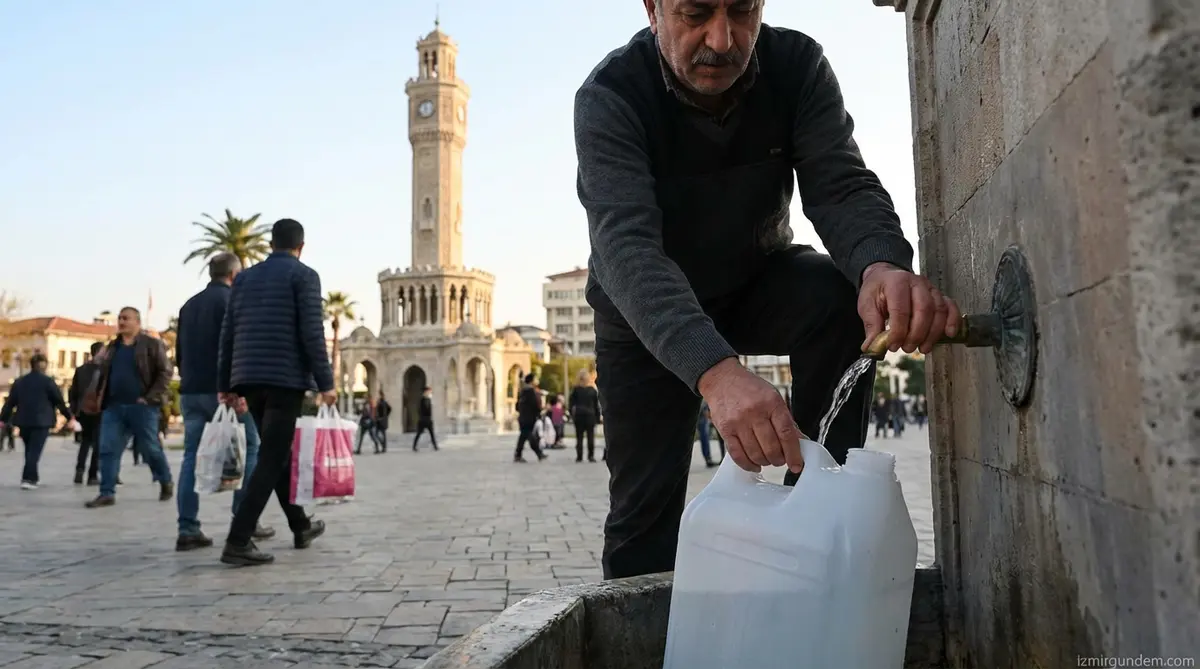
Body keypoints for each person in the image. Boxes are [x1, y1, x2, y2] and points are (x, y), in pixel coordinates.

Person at [575, 1, 962, 579]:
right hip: (644, 310)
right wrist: (717, 373)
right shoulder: (610, 95)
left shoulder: (797, 65)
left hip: (756, 274)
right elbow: (627, 248)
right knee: (643, 513)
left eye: (742, 10)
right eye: (697, 13)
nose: (723, 39)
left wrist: (882, 267)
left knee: (836, 296)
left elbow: (841, 183)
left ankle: (816, 504)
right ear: (654, 10)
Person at [217, 218, 333, 566]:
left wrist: (225, 384)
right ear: (301, 246)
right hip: (284, 379)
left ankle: (300, 525)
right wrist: (326, 382)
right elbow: (312, 332)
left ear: (270, 243)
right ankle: (238, 540)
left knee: (275, 453)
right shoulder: (304, 276)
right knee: (271, 459)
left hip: (249, 377)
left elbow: (229, 332)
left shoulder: (245, 278)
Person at [175, 252, 275, 552]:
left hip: (191, 391)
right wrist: (236, 390)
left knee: (191, 455)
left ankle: (187, 527)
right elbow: (235, 348)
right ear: (234, 275)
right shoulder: (234, 302)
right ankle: (243, 519)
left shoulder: (188, 306)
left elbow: (180, 352)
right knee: (253, 446)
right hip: (225, 392)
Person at [85, 307, 176, 508]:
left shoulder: (151, 345)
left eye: (126, 318)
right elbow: (101, 372)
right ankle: (106, 492)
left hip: (142, 407)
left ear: (137, 322)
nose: (122, 322)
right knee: (107, 449)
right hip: (114, 407)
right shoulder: (112, 348)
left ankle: (165, 480)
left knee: (149, 448)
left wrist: (149, 397)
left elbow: (165, 372)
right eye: (120, 318)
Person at [0, 354, 78, 489]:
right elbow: (59, 401)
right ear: (44, 365)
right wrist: (69, 416)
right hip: (42, 421)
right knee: (34, 451)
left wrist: (2, 419)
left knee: (29, 450)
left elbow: (10, 403)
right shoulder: (48, 382)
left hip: (23, 421)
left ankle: (33, 478)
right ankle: (27, 479)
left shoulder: (19, 382)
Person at [68, 341, 105, 485]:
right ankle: (92, 475)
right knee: (97, 444)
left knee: (85, 442)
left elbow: (73, 392)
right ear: (99, 352)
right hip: (98, 411)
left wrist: (74, 411)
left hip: (83, 411)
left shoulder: (81, 369)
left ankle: (79, 470)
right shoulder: (104, 370)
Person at [568, 369, 602, 463]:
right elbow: (596, 406)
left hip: (579, 415)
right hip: (590, 415)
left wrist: (571, 414)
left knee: (579, 437)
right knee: (590, 437)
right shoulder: (592, 391)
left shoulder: (575, 390)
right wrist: (598, 418)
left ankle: (579, 456)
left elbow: (571, 404)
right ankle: (591, 456)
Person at [513, 373, 546, 462]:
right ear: (532, 381)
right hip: (529, 418)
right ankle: (538, 453)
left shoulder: (522, 391)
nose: (537, 381)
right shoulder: (531, 391)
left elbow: (517, 406)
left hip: (523, 417)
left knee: (524, 437)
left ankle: (519, 454)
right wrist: (539, 412)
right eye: (535, 379)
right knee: (529, 436)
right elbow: (535, 404)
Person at [412, 387, 439, 451]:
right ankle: (414, 446)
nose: (430, 393)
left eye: (430, 392)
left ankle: (435, 446)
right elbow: (419, 410)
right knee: (418, 433)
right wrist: (421, 417)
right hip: (422, 420)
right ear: (425, 392)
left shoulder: (429, 400)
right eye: (429, 392)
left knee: (432, 433)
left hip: (429, 420)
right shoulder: (421, 400)